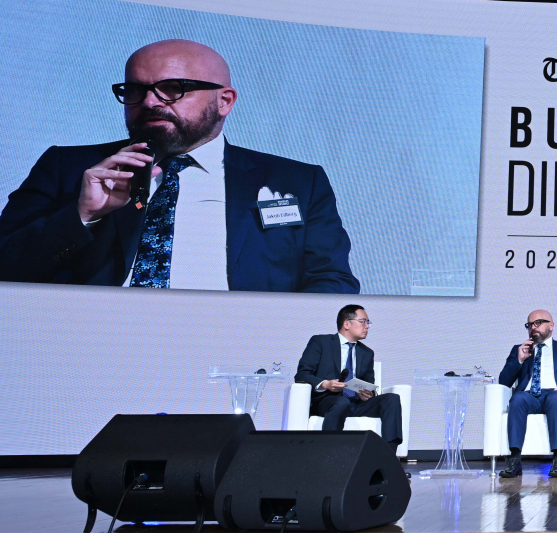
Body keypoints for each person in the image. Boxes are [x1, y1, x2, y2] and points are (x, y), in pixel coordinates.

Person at [0, 39, 359, 293]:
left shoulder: (297, 181)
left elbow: (331, 280)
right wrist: (82, 215)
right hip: (92, 344)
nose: (151, 102)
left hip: (238, 350)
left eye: (173, 88)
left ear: (224, 101)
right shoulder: (71, 166)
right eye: (135, 90)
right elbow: (6, 267)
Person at [295, 305, 402, 451]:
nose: (367, 327)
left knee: (392, 399)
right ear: (347, 324)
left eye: (368, 323)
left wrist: (367, 394)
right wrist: (325, 384)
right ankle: (328, 453)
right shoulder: (321, 342)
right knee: (341, 402)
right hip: (327, 402)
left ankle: (389, 455)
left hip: (356, 404)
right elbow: (302, 374)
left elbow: (369, 383)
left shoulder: (367, 353)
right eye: (363, 321)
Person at [496, 309, 557, 479]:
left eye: (538, 323)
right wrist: (519, 360)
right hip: (530, 395)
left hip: (556, 394)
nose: (533, 327)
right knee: (517, 398)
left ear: (551, 325)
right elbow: (504, 382)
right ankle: (514, 459)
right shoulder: (519, 350)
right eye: (530, 324)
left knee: (555, 397)